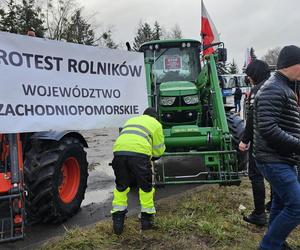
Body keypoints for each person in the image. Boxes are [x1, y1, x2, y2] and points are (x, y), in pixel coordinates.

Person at [253, 45, 300, 250]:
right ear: (294, 64)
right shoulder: (274, 88)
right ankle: (269, 245)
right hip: (273, 159)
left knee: (281, 203)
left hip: (282, 157)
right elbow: (268, 127)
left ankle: (277, 244)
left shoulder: (282, 85)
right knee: (297, 205)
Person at [111, 107, 165, 235]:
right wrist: (154, 156)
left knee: (121, 187)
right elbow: (158, 149)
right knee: (145, 187)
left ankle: (118, 223)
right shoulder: (156, 124)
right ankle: (146, 222)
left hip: (119, 153)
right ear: (155, 117)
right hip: (139, 156)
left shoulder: (132, 120)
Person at [239, 60, 271, 226]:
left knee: (256, 175)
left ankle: (259, 213)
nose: (249, 79)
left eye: (249, 75)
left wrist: (245, 140)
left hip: (262, 141)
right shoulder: (278, 86)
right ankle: (273, 205)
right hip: (281, 140)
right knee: (275, 176)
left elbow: (252, 119)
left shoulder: (257, 91)